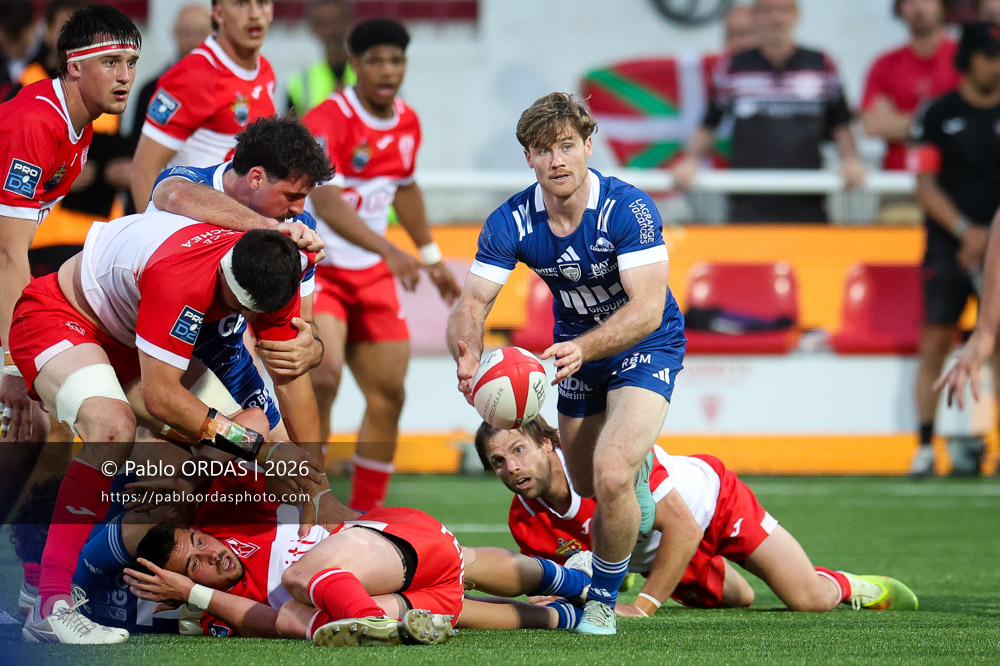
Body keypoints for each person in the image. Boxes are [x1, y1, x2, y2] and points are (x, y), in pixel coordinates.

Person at [8, 206, 324, 642]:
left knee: (205, 456)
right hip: (60, 317)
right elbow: (160, 399)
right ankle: (52, 602)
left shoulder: (278, 269)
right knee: (114, 428)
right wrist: (264, 451)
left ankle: (37, 575)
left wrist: (310, 474)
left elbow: (290, 381)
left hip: (127, 347)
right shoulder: (180, 277)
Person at [446, 92, 686, 635]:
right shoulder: (511, 220)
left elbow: (647, 309)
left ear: (587, 147)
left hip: (646, 343)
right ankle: (632, 473)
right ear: (527, 157)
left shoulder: (627, 207)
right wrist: (466, 353)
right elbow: (472, 305)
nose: (556, 160)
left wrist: (584, 348)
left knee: (611, 470)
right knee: (590, 484)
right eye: (542, 149)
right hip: (574, 351)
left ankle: (601, 600)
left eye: (567, 146)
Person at [475, 416, 919, 615]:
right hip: (657, 549)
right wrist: (556, 592)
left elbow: (684, 526)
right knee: (740, 599)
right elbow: (558, 576)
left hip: (714, 504)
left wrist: (645, 606)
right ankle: (622, 565)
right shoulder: (524, 519)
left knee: (808, 601)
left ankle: (848, 585)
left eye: (518, 450)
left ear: (548, 444)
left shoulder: (598, 463)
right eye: (498, 461)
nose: (512, 467)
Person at [111, 468, 590, 643]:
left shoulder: (232, 520)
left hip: (389, 540)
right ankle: (568, 618)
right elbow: (265, 624)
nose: (212, 558)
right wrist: (193, 596)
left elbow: (252, 428)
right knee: (301, 619)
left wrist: (193, 475)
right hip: (406, 596)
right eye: (195, 568)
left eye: (201, 544)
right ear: (186, 586)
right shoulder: (221, 607)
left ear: (200, 528)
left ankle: (574, 581)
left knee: (462, 562)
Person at [302, 18, 460, 511]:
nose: (387, 70)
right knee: (322, 377)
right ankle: (311, 501)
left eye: (395, 60)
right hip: (318, 268)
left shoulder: (408, 122)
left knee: (389, 392)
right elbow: (326, 203)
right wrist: (391, 250)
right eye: (375, 60)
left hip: (369, 275)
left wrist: (430, 257)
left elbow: (405, 189)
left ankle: (369, 515)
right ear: (354, 65)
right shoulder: (328, 119)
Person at [146, 115, 332, 457]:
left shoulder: (298, 226)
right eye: (292, 195)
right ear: (257, 177)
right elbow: (171, 193)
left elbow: (299, 326)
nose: (298, 210)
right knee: (169, 457)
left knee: (279, 457)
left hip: (226, 352)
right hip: (160, 350)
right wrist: (265, 228)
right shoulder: (188, 185)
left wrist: (311, 347)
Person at [0, 4, 141, 445]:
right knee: (29, 426)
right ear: (74, 67)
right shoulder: (37, 123)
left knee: (36, 430)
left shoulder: (80, 128)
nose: (125, 76)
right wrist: (11, 366)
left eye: (131, 63)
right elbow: (9, 254)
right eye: (110, 62)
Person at [671, 0, 864, 222]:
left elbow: (841, 123)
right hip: (748, 198)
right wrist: (690, 160)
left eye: (784, 10)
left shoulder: (821, 64)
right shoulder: (733, 67)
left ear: (797, 15)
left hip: (808, 198)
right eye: (767, 10)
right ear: (755, 17)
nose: (776, 18)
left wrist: (851, 159)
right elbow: (709, 123)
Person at [907, 22, 1000, 477]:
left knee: (997, 343)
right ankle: (925, 447)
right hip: (947, 246)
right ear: (969, 59)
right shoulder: (937, 113)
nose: (997, 64)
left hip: (998, 245)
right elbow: (923, 185)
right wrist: (967, 230)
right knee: (935, 343)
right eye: (990, 55)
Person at [130, 0, 277, 208]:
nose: (254, 14)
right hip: (197, 230)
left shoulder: (265, 71)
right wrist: (158, 235)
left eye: (262, 3)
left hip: (242, 227)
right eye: (241, 4)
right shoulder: (192, 75)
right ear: (218, 13)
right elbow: (143, 169)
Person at [124, 4, 212, 214]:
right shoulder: (151, 90)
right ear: (174, 34)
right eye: (186, 33)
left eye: (200, 33)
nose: (193, 41)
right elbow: (139, 159)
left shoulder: (230, 90)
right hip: (165, 201)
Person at [862, 0, 959, 172]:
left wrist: (901, 122)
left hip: (954, 180)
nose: (919, 8)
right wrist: (941, 123)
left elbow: (974, 118)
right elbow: (872, 125)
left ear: (943, 5)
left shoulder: (963, 60)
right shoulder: (885, 64)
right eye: (910, 2)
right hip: (898, 182)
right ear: (900, 8)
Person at [286, 0, 356, 116]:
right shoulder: (300, 82)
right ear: (313, 29)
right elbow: (290, 132)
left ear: (349, 22)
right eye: (323, 23)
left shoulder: (368, 73)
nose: (332, 30)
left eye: (337, 21)